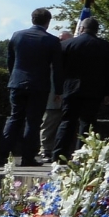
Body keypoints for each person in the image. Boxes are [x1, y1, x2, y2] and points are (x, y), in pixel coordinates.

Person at [3, 8, 63, 167]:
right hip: (39, 85)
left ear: (32, 19)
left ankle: (3, 155)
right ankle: (27, 158)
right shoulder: (52, 41)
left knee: (15, 117)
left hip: (17, 82)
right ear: (48, 22)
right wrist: (58, 90)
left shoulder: (17, 35)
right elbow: (58, 68)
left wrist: (13, 77)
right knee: (33, 122)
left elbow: (10, 60)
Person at [52, 17, 109, 161]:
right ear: (97, 30)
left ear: (81, 28)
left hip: (70, 89)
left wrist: (58, 89)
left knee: (67, 121)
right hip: (94, 90)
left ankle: (58, 155)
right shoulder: (105, 46)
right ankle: (82, 155)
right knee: (88, 124)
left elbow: (58, 70)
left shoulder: (67, 45)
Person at [39, 30, 73, 158]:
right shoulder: (51, 55)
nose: (60, 42)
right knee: (49, 123)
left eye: (63, 40)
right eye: (59, 39)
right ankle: (45, 150)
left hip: (67, 95)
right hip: (52, 95)